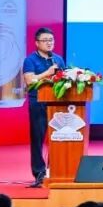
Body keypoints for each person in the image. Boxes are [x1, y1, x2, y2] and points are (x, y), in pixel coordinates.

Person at [22, 27, 66, 187]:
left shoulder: (58, 59)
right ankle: (39, 173)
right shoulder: (30, 60)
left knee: (58, 138)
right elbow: (29, 81)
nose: (49, 43)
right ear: (37, 43)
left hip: (57, 103)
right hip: (38, 103)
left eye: (51, 40)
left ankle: (55, 170)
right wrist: (47, 73)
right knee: (38, 139)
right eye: (45, 40)